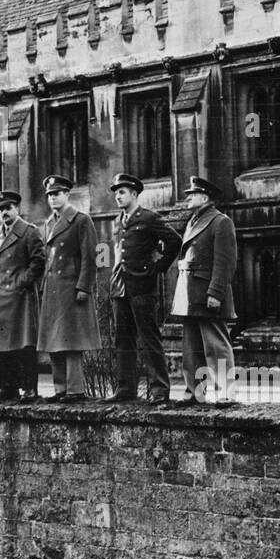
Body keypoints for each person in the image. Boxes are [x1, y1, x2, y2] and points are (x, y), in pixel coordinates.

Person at [161, 176, 238, 409]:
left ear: (205, 198)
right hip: (190, 294)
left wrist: (216, 292)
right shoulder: (193, 221)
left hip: (207, 293)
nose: (188, 198)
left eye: (192, 195)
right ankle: (196, 392)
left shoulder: (220, 222)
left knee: (216, 345)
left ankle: (226, 391)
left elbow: (225, 262)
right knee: (192, 346)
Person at [107, 172, 181, 403]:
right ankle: (125, 388)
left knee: (149, 337)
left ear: (134, 194)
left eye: (122, 192)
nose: (118, 197)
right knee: (123, 339)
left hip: (143, 288)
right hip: (121, 289)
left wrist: (158, 267)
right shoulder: (117, 222)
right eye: (116, 193)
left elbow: (174, 240)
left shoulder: (148, 218)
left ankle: (159, 389)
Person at [0, 189, 46, 403]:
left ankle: (29, 390)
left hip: (21, 297)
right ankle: (8, 388)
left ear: (17, 209)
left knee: (24, 344)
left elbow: (39, 261)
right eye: (1, 209)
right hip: (1, 298)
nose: (4, 212)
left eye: (8, 208)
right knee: (3, 345)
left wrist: (21, 281)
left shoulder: (29, 232)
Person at [36, 174, 100, 402]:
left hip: (71, 288)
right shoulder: (48, 224)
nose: (53, 199)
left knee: (72, 341)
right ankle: (60, 388)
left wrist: (84, 287)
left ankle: (75, 390)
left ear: (67, 195)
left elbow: (89, 257)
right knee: (54, 340)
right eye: (49, 195)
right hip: (52, 289)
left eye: (57, 194)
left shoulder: (81, 220)